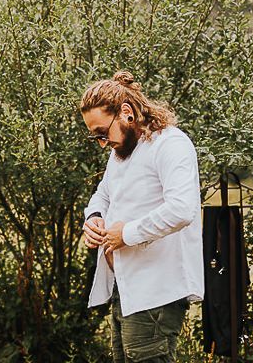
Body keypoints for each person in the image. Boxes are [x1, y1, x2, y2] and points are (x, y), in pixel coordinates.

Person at [80, 70, 204, 363]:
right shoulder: (120, 152)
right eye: (94, 137)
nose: (101, 143)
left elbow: (182, 208)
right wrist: (95, 218)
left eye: (102, 133)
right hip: (126, 286)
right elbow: (103, 195)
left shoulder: (170, 144)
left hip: (157, 291)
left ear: (126, 113)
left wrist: (126, 233)